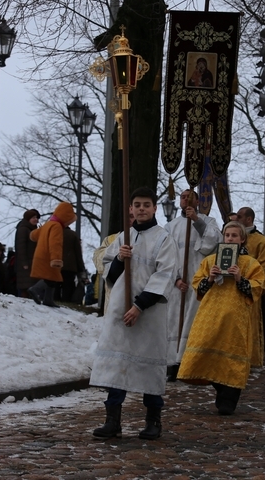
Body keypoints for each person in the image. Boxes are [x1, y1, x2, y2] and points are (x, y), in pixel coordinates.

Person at [90, 187, 178, 441]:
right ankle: (112, 420)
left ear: (154, 208)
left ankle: (153, 420)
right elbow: (109, 273)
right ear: (131, 209)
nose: (141, 208)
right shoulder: (122, 238)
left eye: (146, 204)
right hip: (120, 310)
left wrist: (140, 306)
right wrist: (119, 258)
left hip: (149, 314)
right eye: (137, 204)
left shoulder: (163, 239)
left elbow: (165, 276)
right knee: (119, 364)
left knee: (148, 366)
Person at [178, 221, 265, 415]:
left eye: (235, 236)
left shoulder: (251, 264)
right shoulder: (210, 261)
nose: (230, 239)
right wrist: (209, 278)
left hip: (236, 318)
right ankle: (221, 389)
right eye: (227, 235)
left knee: (232, 359)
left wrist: (240, 278)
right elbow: (198, 287)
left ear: (242, 239)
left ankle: (229, 399)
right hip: (211, 314)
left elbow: (256, 289)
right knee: (206, 351)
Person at [165, 189, 222, 381]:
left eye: (190, 197)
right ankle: (172, 364)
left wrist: (196, 220)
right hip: (178, 283)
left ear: (197, 200)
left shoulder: (208, 221)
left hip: (199, 280)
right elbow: (165, 256)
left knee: (195, 321)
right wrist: (176, 279)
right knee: (174, 322)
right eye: (182, 197)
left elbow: (213, 242)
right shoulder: (170, 226)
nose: (185, 199)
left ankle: (190, 363)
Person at [236, 207, 265, 367]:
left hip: (249, 289)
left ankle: (249, 358)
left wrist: (251, 284)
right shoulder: (232, 237)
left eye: (239, 216)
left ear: (249, 219)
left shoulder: (261, 241)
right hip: (231, 289)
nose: (236, 219)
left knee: (250, 324)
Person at [28, 202, 76, 307]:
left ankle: (48, 299)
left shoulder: (48, 224)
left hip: (40, 254)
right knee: (50, 278)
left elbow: (34, 235)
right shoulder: (57, 226)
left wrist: (34, 233)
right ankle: (35, 289)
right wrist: (56, 259)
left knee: (53, 277)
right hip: (49, 256)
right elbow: (55, 244)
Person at [58, 222, 87, 303]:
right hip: (70, 266)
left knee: (56, 284)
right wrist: (81, 268)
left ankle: (56, 300)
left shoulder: (55, 234)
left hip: (56, 264)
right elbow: (78, 254)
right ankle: (66, 302)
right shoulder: (73, 235)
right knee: (68, 285)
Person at [15, 209, 40, 298]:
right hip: (27, 263)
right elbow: (21, 247)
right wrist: (24, 262)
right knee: (26, 285)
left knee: (31, 284)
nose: (36, 219)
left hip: (32, 261)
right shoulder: (24, 229)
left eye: (36, 217)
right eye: (33, 217)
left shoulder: (32, 230)